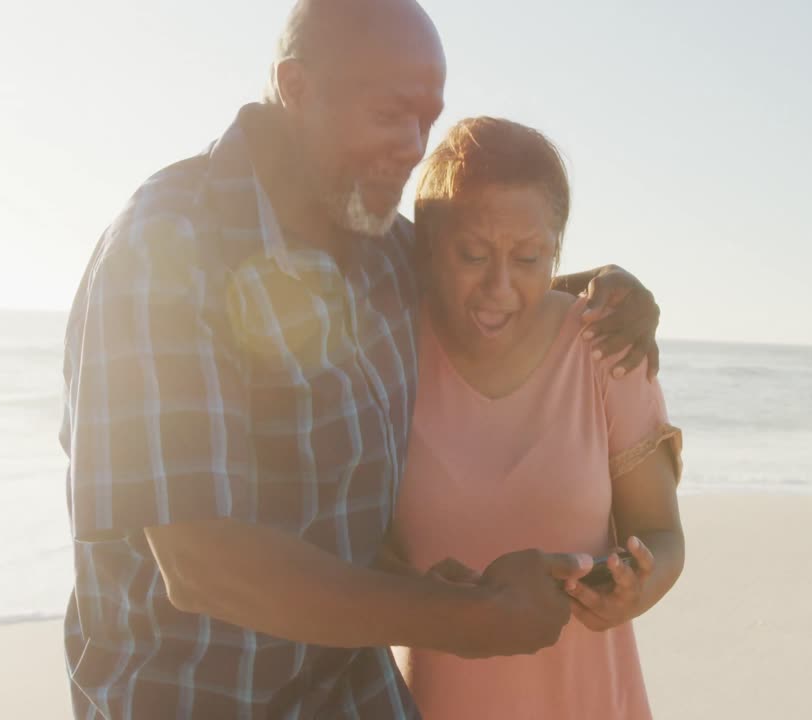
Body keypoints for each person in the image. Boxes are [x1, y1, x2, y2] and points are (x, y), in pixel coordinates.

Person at [59, 1, 662, 718]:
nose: (414, 147)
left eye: (427, 119)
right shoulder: (163, 251)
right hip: (201, 697)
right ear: (298, 87)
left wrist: (611, 292)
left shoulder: (379, 247)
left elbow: (489, 285)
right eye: (390, 113)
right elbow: (202, 565)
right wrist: (464, 619)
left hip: (351, 693)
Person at [387, 117, 685, 719]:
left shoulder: (608, 348)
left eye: (528, 258)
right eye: (472, 255)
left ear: (556, 250)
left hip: (588, 699)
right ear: (429, 247)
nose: (499, 287)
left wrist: (634, 590)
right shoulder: (389, 356)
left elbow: (663, 536)